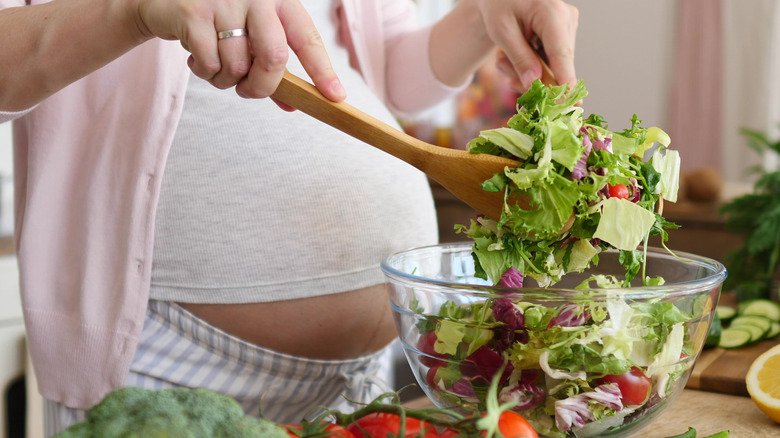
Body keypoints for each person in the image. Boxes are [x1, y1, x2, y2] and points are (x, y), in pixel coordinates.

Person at [0, 0, 578, 434]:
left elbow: (385, 72)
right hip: (165, 364)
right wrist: (132, 10)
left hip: (365, 378)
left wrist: (485, 13)